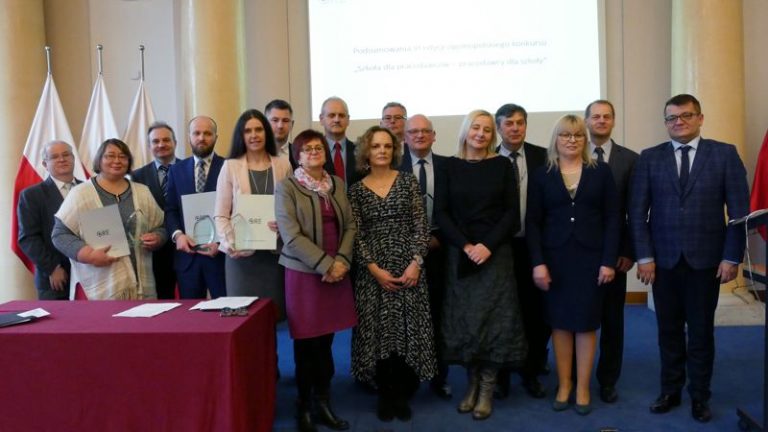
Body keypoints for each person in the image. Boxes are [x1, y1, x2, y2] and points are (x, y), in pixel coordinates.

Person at [629, 94, 749, 423]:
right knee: (667, 330)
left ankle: (699, 395)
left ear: (700, 118)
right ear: (665, 122)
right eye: (671, 118)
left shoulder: (724, 154)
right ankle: (670, 390)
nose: (678, 122)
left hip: (707, 261)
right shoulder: (650, 158)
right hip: (662, 262)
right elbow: (637, 214)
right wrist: (644, 256)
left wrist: (731, 257)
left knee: (700, 332)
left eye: (686, 115)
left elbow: (739, 213)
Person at [435, 110, 526, 420]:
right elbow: (441, 213)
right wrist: (466, 245)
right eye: (476, 127)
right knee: (466, 323)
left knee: (494, 322)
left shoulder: (502, 165)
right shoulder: (449, 166)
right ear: (466, 130)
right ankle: (472, 384)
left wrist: (487, 245)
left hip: (495, 254)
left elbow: (511, 214)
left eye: (487, 130)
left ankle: (487, 388)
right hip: (461, 253)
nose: (481, 134)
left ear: (493, 135)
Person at [526, 114, 619, 416]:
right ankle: (564, 384)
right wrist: (538, 263)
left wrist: (608, 261)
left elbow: (613, 219)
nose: (572, 140)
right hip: (555, 260)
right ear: (556, 139)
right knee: (560, 323)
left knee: (586, 323)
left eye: (578, 135)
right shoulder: (542, 175)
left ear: (585, 139)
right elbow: (533, 223)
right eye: (565, 135)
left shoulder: (601, 172)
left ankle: (582, 388)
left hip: (591, 260)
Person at [348, 126, 437, 422]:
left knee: (406, 330)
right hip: (374, 272)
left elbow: (421, 226)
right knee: (380, 333)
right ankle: (386, 394)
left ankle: (403, 392)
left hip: (409, 268)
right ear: (366, 151)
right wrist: (374, 270)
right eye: (376, 146)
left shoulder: (408, 181)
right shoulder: (356, 190)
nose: (382, 151)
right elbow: (356, 235)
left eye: (387, 146)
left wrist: (416, 263)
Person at [275, 129, 357, 432]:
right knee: (306, 344)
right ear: (297, 156)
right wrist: (325, 264)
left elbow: (350, 226)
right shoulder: (287, 188)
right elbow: (291, 236)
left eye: (318, 147)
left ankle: (323, 402)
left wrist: (342, 261)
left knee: (326, 343)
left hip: (338, 271)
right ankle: (304, 406)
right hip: (305, 275)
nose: (313, 152)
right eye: (306, 149)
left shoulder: (337, 184)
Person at [52, 138, 166, 300]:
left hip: (142, 287)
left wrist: (158, 237)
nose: (117, 161)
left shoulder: (143, 192)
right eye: (110, 156)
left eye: (123, 156)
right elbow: (60, 234)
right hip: (101, 288)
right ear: (99, 160)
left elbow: (161, 226)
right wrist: (89, 255)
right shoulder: (81, 194)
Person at [493, 103, 550, 400]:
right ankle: (501, 375)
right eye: (508, 123)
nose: (515, 128)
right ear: (498, 128)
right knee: (502, 312)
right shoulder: (487, 159)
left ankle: (532, 370)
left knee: (535, 312)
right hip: (498, 248)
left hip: (534, 245)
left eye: (520, 122)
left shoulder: (544, 157)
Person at [584, 99, 639, 403]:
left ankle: (607, 380)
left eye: (607, 116)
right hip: (578, 254)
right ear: (586, 121)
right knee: (579, 317)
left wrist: (629, 250)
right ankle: (575, 377)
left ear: (613, 121)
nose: (601, 121)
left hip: (616, 255)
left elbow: (635, 211)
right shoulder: (572, 154)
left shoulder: (630, 159)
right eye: (596, 116)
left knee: (612, 321)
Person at [214, 109, 292, 317]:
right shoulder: (230, 166)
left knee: (275, 317)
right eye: (248, 131)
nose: (254, 135)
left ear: (266, 132)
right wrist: (231, 243)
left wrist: (283, 224)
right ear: (241, 135)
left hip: (275, 256)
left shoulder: (283, 165)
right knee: (243, 318)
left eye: (259, 129)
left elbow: (290, 208)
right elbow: (221, 214)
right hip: (241, 257)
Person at [399, 114, 452, 400]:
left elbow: (457, 208)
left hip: (441, 250)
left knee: (439, 315)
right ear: (405, 137)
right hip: (404, 255)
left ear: (434, 136)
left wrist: (439, 238)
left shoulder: (449, 166)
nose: (419, 135)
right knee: (408, 318)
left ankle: (439, 377)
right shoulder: (393, 168)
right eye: (413, 131)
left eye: (425, 131)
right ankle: (408, 377)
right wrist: (415, 243)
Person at [165, 115, 227, 299]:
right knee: (190, 313)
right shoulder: (176, 170)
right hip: (188, 258)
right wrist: (178, 235)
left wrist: (221, 242)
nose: (202, 138)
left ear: (216, 137)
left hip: (220, 257)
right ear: (189, 137)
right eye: (197, 133)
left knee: (226, 311)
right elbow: (171, 209)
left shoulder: (229, 167)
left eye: (207, 133)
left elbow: (235, 210)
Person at [17, 140, 82, 300]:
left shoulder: (88, 188)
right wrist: (52, 268)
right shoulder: (32, 195)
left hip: (91, 274)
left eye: (66, 154)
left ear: (73, 158)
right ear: (45, 164)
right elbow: (28, 238)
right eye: (54, 157)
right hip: (56, 278)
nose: (62, 159)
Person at [130, 121, 178, 299]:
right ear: (149, 146)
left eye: (166, 140)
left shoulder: (189, 169)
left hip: (186, 247)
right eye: (156, 141)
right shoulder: (136, 176)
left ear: (175, 142)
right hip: (154, 252)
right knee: (163, 300)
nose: (161, 144)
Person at [319, 96, 360, 185]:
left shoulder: (359, 151)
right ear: (321, 119)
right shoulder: (314, 152)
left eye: (341, 115)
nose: (337, 120)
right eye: (331, 115)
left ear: (348, 120)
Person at [265, 99, 297, 167]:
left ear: (292, 124)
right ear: (265, 123)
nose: (280, 126)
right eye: (275, 120)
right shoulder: (255, 154)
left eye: (285, 121)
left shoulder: (300, 154)